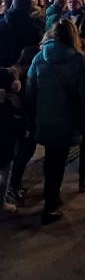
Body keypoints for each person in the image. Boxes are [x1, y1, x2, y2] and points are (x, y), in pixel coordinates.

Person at [26, 19, 85, 224]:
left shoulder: (39, 58)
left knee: (50, 158)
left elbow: (30, 89)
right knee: (59, 160)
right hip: (67, 117)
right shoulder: (80, 60)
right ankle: (50, 205)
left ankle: (50, 193)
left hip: (44, 117)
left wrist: (32, 115)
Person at [7, 45, 40, 203]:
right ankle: (13, 185)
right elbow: (29, 99)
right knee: (25, 151)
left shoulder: (15, 71)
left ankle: (14, 184)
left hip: (14, 119)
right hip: (25, 120)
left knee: (19, 150)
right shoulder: (29, 74)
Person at [0, 0, 42, 67]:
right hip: (23, 72)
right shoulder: (35, 30)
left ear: (12, 5)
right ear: (29, 8)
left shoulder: (1, 24)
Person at [0, 67, 21, 216]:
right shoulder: (12, 102)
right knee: (4, 174)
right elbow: (16, 126)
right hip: (6, 145)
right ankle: (1, 203)